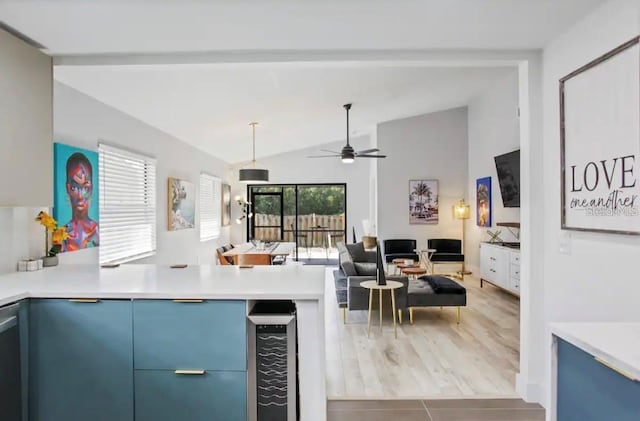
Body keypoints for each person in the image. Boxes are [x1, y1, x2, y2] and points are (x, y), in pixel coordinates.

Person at [62, 152, 99, 251]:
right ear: (68, 188)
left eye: (85, 187)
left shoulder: (98, 232)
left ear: (91, 188)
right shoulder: (61, 236)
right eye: (75, 187)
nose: (80, 196)